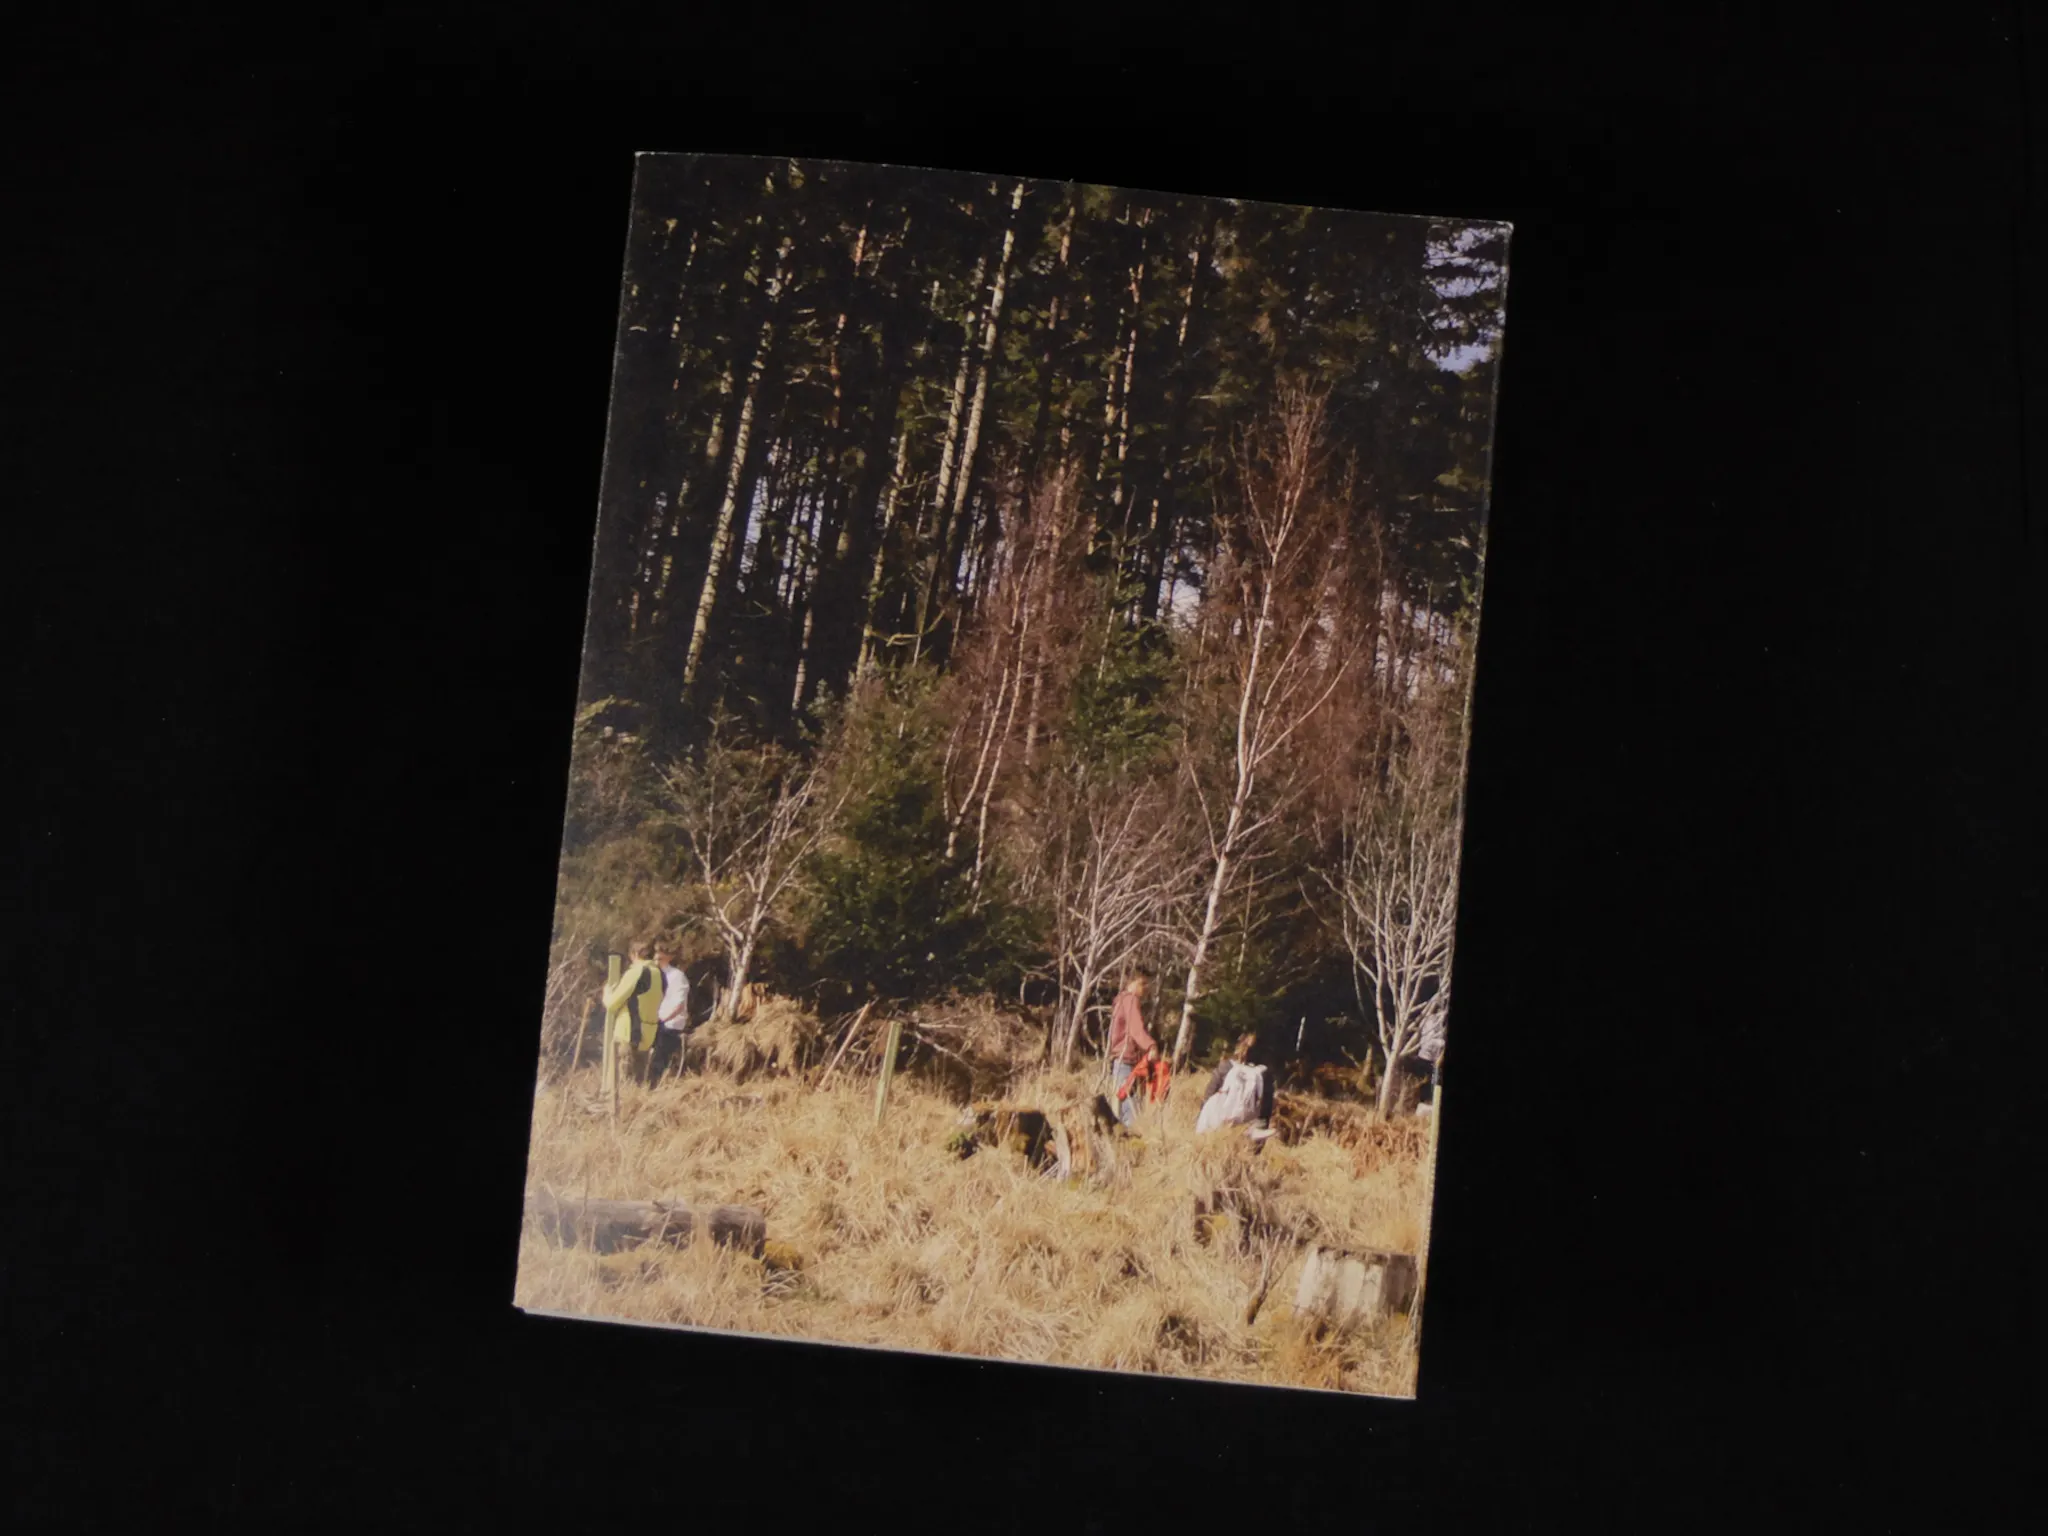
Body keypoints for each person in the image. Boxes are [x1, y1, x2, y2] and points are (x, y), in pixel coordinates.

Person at [601, 939, 664, 1091]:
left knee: (620, 1086)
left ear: (634, 954)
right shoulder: (659, 974)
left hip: (628, 1033)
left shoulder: (637, 972)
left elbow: (612, 1004)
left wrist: (606, 993)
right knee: (638, 1085)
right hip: (648, 1035)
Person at [1106, 967, 1158, 1130]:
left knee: (1122, 1110)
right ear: (1132, 982)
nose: (1145, 988)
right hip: (1126, 1062)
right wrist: (1151, 1046)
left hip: (1120, 1061)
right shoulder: (1130, 1000)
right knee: (1131, 1113)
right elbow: (1136, 1029)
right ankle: (1129, 1151)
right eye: (1142, 983)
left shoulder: (1120, 1000)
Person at [644, 938, 692, 1088]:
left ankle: (653, 1089)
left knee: (658, 1060)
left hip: (669, 1024)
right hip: (655, 1022)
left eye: (660, 958)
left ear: (669, 958)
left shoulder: (677, 977)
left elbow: (679, 1004)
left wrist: (663, 1019)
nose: (656, 960)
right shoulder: (654, 976)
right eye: (655, 957)